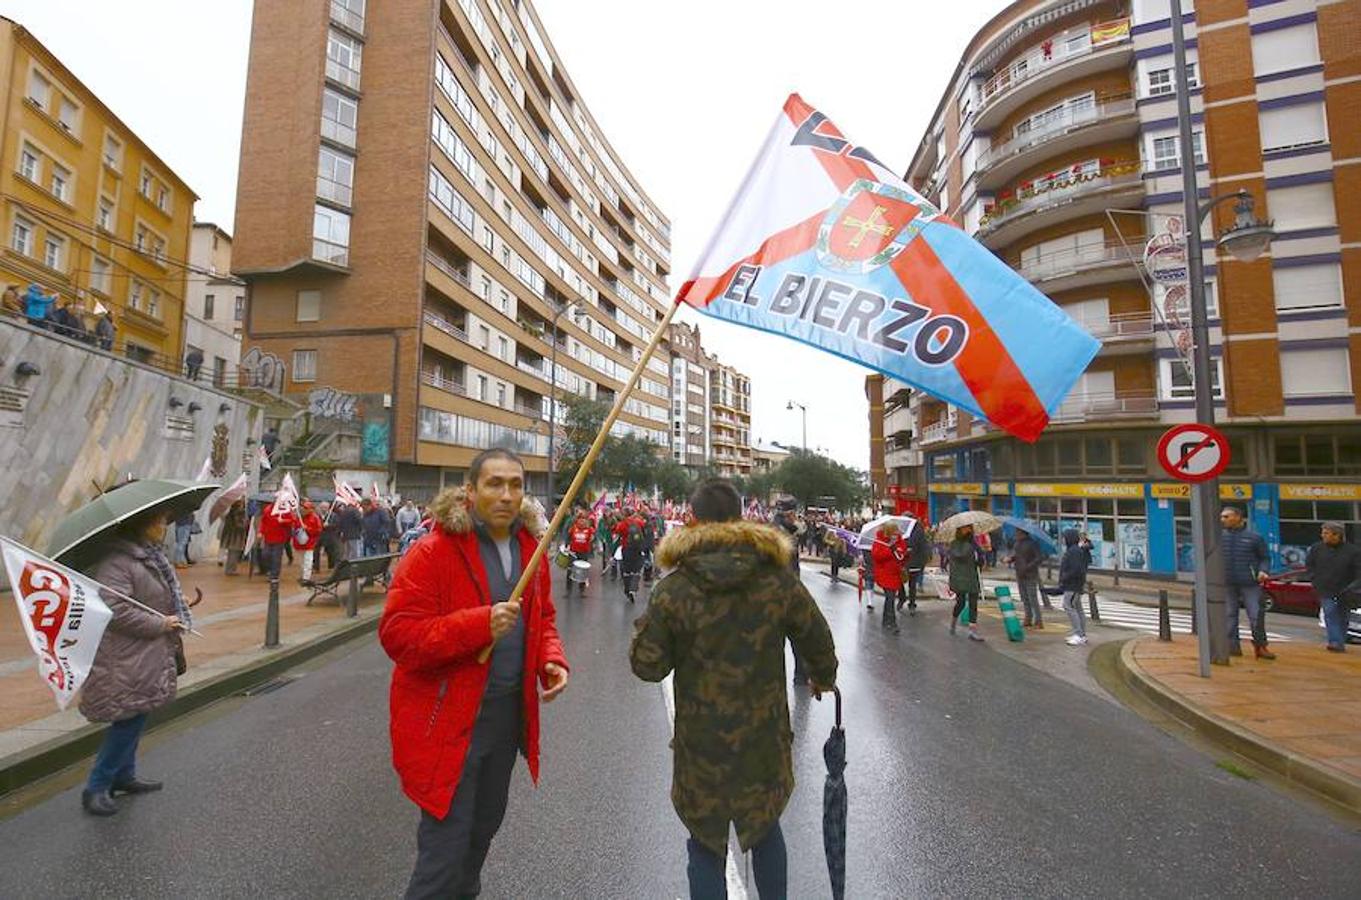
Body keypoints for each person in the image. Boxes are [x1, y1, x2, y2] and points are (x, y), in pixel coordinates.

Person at [629, 478, 837, 900]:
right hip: (763, 737)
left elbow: (648, 666)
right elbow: (816, 637)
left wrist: (651, 629)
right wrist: (823, 675)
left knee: (705, 845)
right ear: (741, 519)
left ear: (693, 519)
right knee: (765, 830)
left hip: (700, 743)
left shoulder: (674, 589)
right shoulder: (776, 580)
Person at [379, 448, 568, 900]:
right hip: (448, 722)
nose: (506, 495)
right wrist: (476, 625)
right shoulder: (434, 550)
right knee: (444, 853)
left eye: (516, 485)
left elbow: (541, 618)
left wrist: (551, 659)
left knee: (481, 835)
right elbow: (398, 635)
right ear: (470, 490)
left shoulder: (531, 549)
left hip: (505, 719)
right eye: (494, 484)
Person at [77, 498, 193, 816]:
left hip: (142, 654)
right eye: (159, 520)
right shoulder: (118, 560)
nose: (164, 526)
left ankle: (123, 776)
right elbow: (115, 607)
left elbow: (146, 595)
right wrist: (161, 622)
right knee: (127, 720)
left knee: (137, 712)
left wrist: (173, 599)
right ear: (142, 524)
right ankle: (97, 787)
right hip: (124, 656)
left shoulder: (148, 557)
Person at [1220, 506, 1275, 659]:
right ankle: (1232, 646)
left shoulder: (1253, 537)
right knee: (1229, 615)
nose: (1223, 520)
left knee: (1256, 615)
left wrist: (1263, 571)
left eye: (1226, 517)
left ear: (1238, 517)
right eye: (1222, 517)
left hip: (1250, 582)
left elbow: (1265, 557)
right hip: (1227, 581)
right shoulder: (1219, 536)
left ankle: (1260, 646)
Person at [1305, 522, 1361, 653]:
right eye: (1323, 533)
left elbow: (1359, 571)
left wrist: (1354, 586)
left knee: (1343, 617)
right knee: (1330, 614)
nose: (1322, 535)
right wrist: (1314, 579)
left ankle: (1338, 641)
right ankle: (1335, 642)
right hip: (1325, 589)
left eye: (1326, 533)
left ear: (1337, 535)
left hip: (1346, 590)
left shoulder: (1353, 551)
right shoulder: (1316, 548)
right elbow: (1310, 566)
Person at [772, 499, 810, 684]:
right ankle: (800, 674)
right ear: (789, 513)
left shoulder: (779, 526)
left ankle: (800, 673)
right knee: (797, 632)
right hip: (786, 584)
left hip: (779, 584)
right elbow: (800, 533)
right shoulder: (781, 529)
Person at [945, 525, 985, 642]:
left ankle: (972, 629)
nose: (969, 530)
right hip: (962, 577)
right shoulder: (960, 544)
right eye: (966, 528)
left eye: (970, 528)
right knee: (961, 602)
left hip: (970, 576)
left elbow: (978, 559)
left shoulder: (972, 544)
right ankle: (954, 622)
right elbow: (963, 557)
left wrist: (979, 559)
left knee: (973, 603)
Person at [870, 524, 907, 635]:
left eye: (897, 532)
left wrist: (899, 550)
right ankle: (892, 622)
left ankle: (886, 620)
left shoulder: (900, 541)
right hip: (884, 574)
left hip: (896, 574)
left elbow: (902, 554)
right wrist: (889, 548)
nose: (896, 534)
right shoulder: (880, 541)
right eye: (894, 532)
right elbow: (877, 556)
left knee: (889, 598)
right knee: (890, 597)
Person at [1059, 529, 1091, 646]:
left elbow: (1076, 569)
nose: (1063, 540)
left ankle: (1078, 634)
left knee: (1068, 606)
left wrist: (1064, 577)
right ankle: (1081, 634)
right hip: (1075, 584)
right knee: (1077, 608)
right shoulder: (1075, 550)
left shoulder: (1073, 552)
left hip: (1072, 585)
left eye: (1064, 537)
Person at [1009, 530, 1046, 629]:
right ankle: (1028, 618)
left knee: (1032, 598)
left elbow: (1039, 558)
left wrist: (1028, 566)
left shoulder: (1032, 544)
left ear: (1023, 533)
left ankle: (1038, 620)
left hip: (1030, 574)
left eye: (1017, 532)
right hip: (1019, 573)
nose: (1016, 534)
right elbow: (1017, 556)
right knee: (1024, 597)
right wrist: (1010, 559)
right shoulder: (1017, 544)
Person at [257, 499, 298, 580]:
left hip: (280, 538)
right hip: (268, 537)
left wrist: (284, 521)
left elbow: (293, 521)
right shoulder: (268, 509)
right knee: (265, 554)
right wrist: (260, 532)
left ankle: (274, 575)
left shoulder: (285, 510)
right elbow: (263, 522)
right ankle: (270, 570)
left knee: (276, 557)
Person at [615, 508, 648, 603]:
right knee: (636, 569)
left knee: (627, 570)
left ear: (623, 514)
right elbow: (644, 527)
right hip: (637, 549)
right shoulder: (638, 521)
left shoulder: (622, 524)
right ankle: (633, 588)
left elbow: (617, 531)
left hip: (627, 549)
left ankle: (627, 589)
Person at [901, 518, 931, 615]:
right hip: (909, 562)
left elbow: (922, 546)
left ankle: (908, 601)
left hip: (911, 561)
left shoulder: (916, 531)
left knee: (907, 583)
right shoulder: (916, 530)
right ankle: (907, 601)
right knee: (907, 584)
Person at [564, 512, 596, 596]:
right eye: (580, 519)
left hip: (584, 553)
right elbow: (568, 537)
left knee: (583, 572)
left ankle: (582, 590)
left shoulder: (589, 530)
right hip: (573, 552)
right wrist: (566, 546)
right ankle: (568, 590)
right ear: (577, 520)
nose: (582, 521)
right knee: (570, 570)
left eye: (584, 519)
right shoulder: (573, 528)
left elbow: (592, 540)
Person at [294, 500, 323, 583]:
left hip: (309, 543)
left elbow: (318, 530)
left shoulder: (315, 518)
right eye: (303, 507)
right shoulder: (298, 517)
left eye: (305, 508)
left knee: (308, 561)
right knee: (301, 562)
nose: (303, 509)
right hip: (299, 543)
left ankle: (306, 577)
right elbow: (295, 528)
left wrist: (308, 529)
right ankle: (303, 575)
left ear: (310, 509)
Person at [219, 500, 248, 576]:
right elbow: (239, 525)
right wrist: (245, 523)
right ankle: (231, 570)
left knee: (231, 553)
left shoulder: (230, 513)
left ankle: (229, 569)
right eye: (242, 504)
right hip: (236, 537)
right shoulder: (239, 513)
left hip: (230, 536)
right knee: (234, 554)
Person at [316, 501, 340, 573]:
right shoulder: (317, 515)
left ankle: (331, 566)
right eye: (322, 507)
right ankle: (316, 567)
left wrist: (329, 525)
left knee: (330, 551)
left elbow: (337, 525)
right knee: (316, 551)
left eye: (325, 507)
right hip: (319, 536)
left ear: (328, 508)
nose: (323, 509)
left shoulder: (333, 515)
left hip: (329, 536)